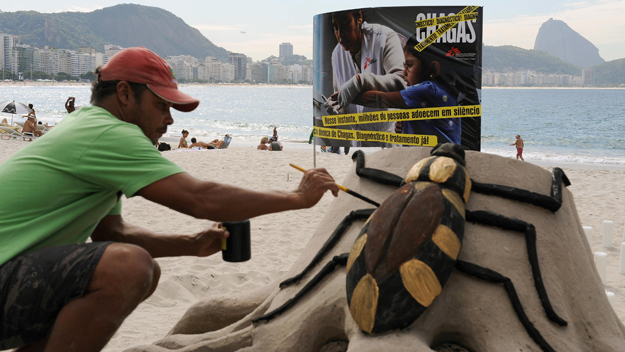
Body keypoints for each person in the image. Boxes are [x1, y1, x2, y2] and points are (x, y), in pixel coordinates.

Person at [0, 47, 339, 352]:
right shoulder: (109, 133)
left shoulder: (88, 127)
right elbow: (199, 198)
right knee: (130, 268)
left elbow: (111, 234)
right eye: (161, 105)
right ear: (124, 94)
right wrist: (296, 197)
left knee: (144, 270)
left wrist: (192, 244)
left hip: (12, 279)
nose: (170, 119)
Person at [355, 36, 461, 144]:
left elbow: (378, 99)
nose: (404, 72)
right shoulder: (444, 91)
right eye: (404, 66)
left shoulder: (427, 89)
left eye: (409, 65)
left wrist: (350, 93)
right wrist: (406, 128)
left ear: (433, 69)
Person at [324, 9, 406, 147]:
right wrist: (336, 109)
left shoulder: (384, 37)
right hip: (358, 142)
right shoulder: (336, 54)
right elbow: (344, 104)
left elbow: (401, 82)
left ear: (359, 17)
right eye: (335, 27)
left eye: (345, 24)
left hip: (389, 138)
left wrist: (361, 81)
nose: (340, 34)